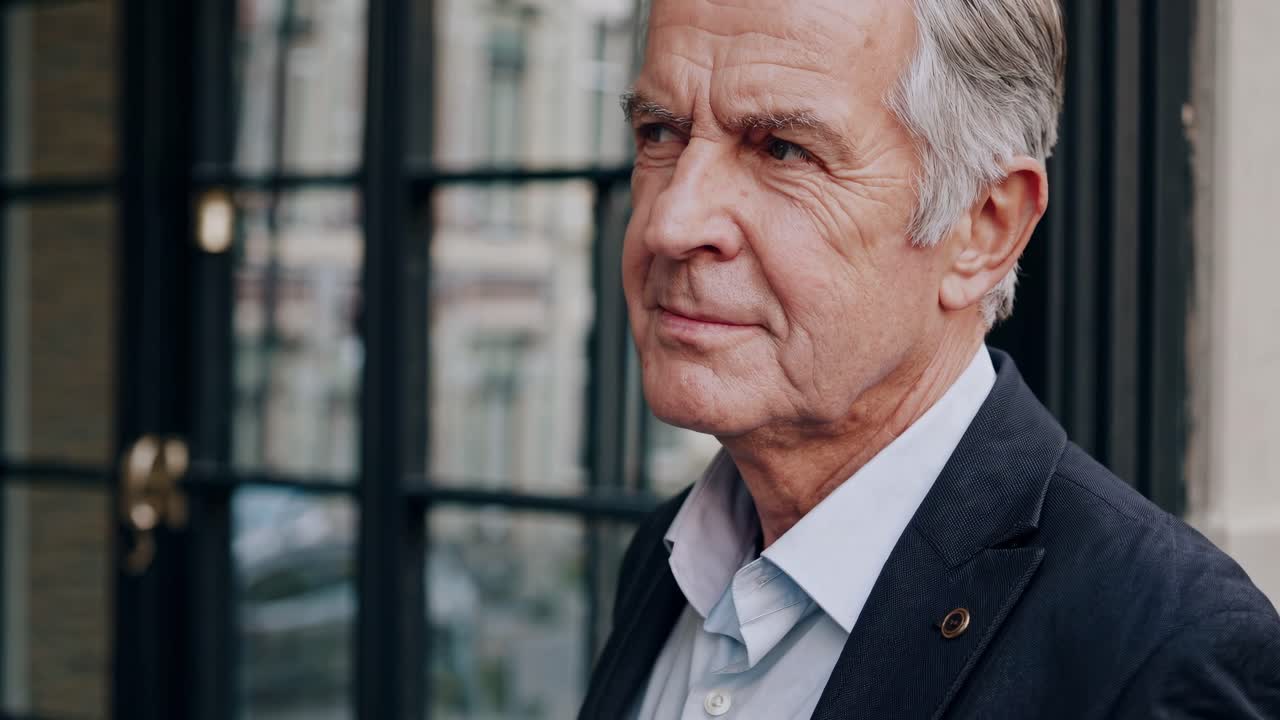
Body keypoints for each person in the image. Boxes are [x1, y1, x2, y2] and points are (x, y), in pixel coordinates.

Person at [579, 0, 1280, 717]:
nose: (671, 223)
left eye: (782, 150)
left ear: (984, 228)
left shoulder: (1161, 650)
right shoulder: (669, 557)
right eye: (659, 132)